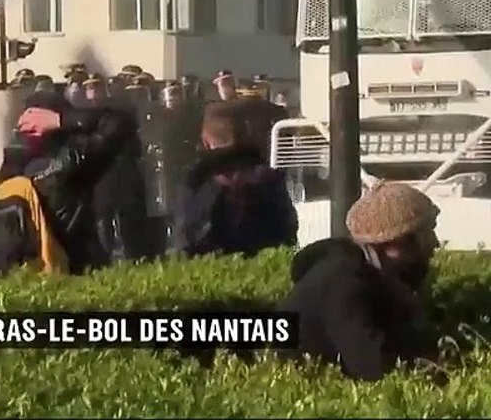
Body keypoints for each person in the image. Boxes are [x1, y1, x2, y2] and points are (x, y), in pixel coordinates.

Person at [279, 183, 440, 381]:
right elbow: (374, 366)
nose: (435, 243)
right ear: (395, 243)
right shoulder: (344, 283)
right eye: (426, 234)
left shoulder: (373, 275)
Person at [0, 91, 141, 272]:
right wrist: (62, 119)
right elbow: (120, 123)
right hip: (73, 269)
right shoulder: (70, 162)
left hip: (21, 277)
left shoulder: (3, 177)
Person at [171, 103, 297, 257]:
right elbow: (288, 233)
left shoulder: (195, 180)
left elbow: (185, 242)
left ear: (206, 142)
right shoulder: (269, 179)